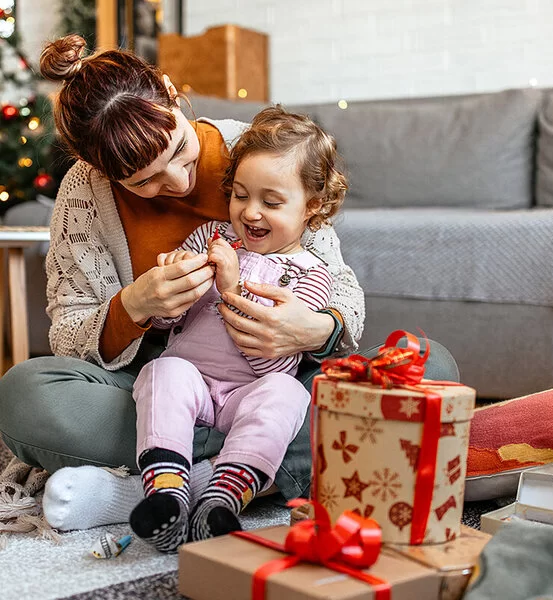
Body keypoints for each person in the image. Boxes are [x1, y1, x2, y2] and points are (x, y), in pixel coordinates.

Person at [0, 35, 458, 533]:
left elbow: (339, 286)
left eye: (178, 150)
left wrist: (316, 328)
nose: (175, 182)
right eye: (143, 181)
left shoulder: (263, 151)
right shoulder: (82, 196)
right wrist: (131, 306)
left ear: (173, 93)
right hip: (160, 385)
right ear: (98, 169)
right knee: (23, 394)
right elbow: (68, 331)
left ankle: (164, 481)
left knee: (427, 365)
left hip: (276, 381)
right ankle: (245, 470)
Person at [128, 105, 345, 553]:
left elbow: (277, 364)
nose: (250, 213)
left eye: (271, 202)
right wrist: (168, 291)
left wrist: (229, 288)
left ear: (313, 206)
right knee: (162, 372)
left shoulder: (311, 273)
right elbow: (168, 323)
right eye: (241, 195)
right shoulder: (210, 237)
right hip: (191, 382)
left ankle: (222, 498)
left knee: (288, 395)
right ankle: (166, 491)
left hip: (250, 392)